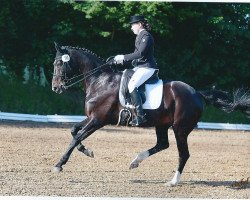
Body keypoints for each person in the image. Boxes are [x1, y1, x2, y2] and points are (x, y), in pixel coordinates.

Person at [114, 15, 158, 126]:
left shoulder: (146, 36)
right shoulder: (139, 36)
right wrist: (121, 61)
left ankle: (140, 116)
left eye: (133, 25)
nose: (131, 28)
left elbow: (140, 54)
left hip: (148, 67)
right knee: (125, 75)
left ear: (139, 24)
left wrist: (123, 57)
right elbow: (136, 57)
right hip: (140, 66)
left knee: (132, 86)